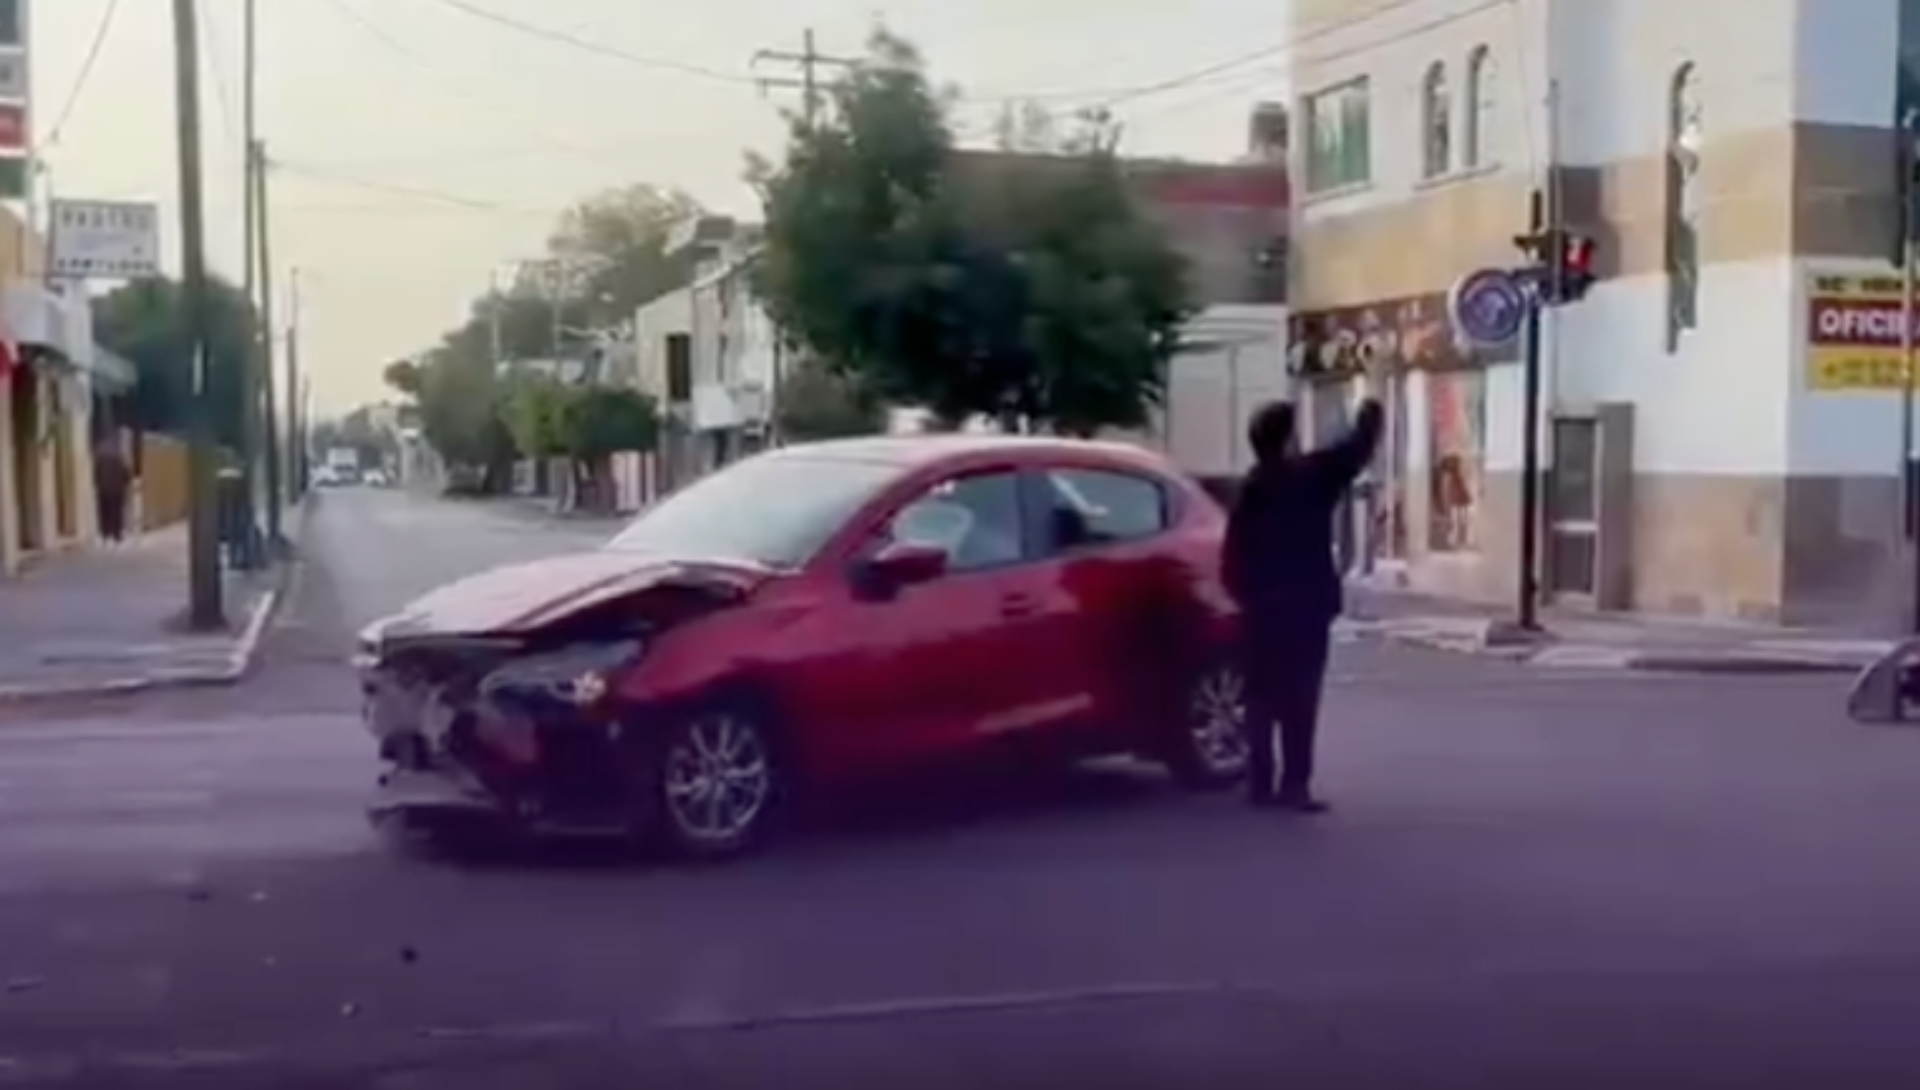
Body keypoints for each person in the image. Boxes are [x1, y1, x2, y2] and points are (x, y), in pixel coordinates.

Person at [1223, 376, 1384, 812]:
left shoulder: (1251, 491)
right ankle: (1295, 785)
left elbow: (1230, 560)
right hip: (1306, 608)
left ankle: (1260, 783)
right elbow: (1356, 449)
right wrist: (1370, 409)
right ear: (1288, 438)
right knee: (1300, 699)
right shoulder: (1310, 477)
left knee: (1259, 698)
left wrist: (1248, 598)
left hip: (1263, 611)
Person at [94, 438, 132, 544]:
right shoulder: (119, 459)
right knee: (117, 512)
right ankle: (117, 533)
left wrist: (99, 485)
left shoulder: (100, 459)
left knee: (105, 512)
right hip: (117, 490)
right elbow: (126, 475)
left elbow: (96, 475)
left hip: (104, 489)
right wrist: (124, 484)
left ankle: (105, 533)